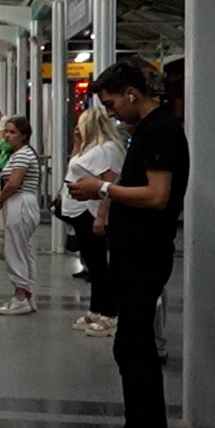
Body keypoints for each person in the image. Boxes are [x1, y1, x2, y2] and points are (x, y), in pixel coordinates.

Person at [68, 60, 189, 428]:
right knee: (134, 347)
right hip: (137, 254)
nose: (112, 110)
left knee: (132, 349)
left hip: (144, 255)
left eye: (113, 101)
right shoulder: (148, 129)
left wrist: (100, 189)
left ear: (132, 92)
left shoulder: (160, 131)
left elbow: (158, 196)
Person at [61, 106, 126, 335]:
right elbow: (73, 168)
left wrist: (100, 217)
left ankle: (109, 313)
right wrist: (77, 143)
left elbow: (108, 184)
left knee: (100, 266)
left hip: (91, 211)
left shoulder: (107, 150)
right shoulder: (90, 148)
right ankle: (96, 309)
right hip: (79, 212)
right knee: (92, 263)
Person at [0, 116, 40, 314]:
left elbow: (13, 183)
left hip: (20, 203)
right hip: (22, 202)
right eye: (6, 131)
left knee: (15, 250)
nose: (7, 136)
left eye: (12, 132)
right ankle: (27, 294)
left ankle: (20, 296)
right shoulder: (20, 153)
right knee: (23, 250)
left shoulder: (21, 155)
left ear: (24, 135)